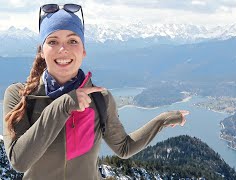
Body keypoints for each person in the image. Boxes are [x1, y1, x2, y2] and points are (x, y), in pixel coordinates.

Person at [2, 4, 189, 180]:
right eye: (52, 41)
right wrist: (65, 104)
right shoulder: (20, 96)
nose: (63, 49)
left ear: (83, 51)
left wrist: (162, 119)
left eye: (72, 41)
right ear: (42, 51)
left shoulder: (100, 99)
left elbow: (124, 148)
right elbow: (19, 161)